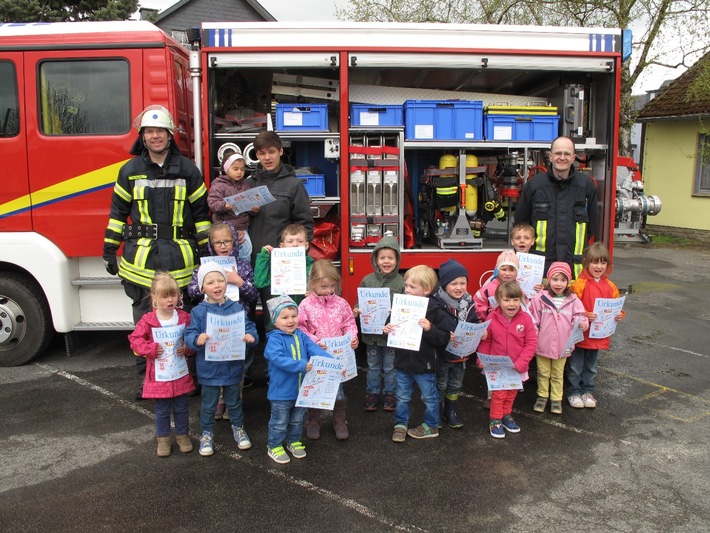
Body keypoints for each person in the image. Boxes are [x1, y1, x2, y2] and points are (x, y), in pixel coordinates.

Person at [103, 105, 211, 400]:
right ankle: (146, 383)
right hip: (142, 262)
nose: (155, 136)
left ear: (169, 135)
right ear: (143, 136)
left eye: (160, 131)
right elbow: (117, 214)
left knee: (184, 322)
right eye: (150, 132)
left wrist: (207, 253)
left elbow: (201, 215)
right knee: (144, 325)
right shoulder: (129, 171)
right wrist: (109, 249)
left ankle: (186, 380)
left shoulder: (188, 170)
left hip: (181, 260)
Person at [184, 263, 259, 457]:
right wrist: (196, 340)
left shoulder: (236, 308)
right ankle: (207, 433)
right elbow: (190, 334)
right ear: (202, 288)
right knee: (208, 404)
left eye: (220, 280)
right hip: (209, 369)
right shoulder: (198, 312)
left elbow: (249, 327)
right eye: (210, 282)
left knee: (234, 402)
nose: (216, 285)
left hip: (232, 367)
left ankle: (238, 428)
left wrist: (251, 337)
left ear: (227, 284)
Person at [187, 222, 259, 416]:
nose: (223, 246)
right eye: (217, 242)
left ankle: (234, 401)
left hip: (236, 321)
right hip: (211, 321)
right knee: (215, 360)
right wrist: (205, 282)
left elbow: (253, 294)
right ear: (211, 244)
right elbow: (192, 290)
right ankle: (219, 401)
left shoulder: (242, 265)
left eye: (227, 241)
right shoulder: (204, 266)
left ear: (234, 242)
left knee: (237, 362)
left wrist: (239, 281)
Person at [246, 131, 314, 318]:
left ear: (281, 151)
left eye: (271, 152)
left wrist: (295, 262)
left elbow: (305, 226)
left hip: (279, 265)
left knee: (277, 318)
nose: (267, 157)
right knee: (246, 316)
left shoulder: (293, 186)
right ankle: (254, 348)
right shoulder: (248, 184)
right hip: (248, 261)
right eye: (261, 153)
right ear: (257, 155)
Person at [128, 272, 195, 457]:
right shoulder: (148, 320)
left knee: (182, 407)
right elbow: (135, 340)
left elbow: (192, 339)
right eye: (165, 296)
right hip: (159, 376)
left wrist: (187, 348)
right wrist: (150, 348)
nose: (170, 300)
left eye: (173, 295)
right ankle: (163, 438)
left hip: (179, 373)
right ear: (154, 298)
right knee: (162, 409)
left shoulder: (184, 318)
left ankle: (183, 435)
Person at [514, 135, 598, 278]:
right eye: (558, 153)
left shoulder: (586, 186)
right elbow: (521, 225)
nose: (562, 157)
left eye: (567, 154)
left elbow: (592, 226)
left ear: (573, 157)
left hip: (574, 271)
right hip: (540, 271)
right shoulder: (534, 186)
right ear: (550, 156)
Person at [263, 294, 332, 464]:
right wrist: (301, 365)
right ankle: (274, 445)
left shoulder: (300, 335)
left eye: (294, 316)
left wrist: (333, 362)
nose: (290, 320)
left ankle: (293, 441)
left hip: (302, 391)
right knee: (279, 421)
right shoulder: (274, 339)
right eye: (284, 317)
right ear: (274, 320)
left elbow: (314, 349)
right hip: (281, 392)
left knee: (297, 419)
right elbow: (278, 359)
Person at [298, 260, 359, 441]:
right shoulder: (305, 305)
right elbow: (301, 328)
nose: (329, 290)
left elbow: (349, 322)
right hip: (316, 356)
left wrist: (352, 337)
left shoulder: (341, 303)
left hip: (338, 357)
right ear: (313, 283)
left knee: (339, 393)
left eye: (333, 286)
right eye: (324, 286)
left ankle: (339, 420)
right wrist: (315, 341)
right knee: (315, 390)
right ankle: (313, 421)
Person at [386, 265, 449, 442]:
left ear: (427, 289)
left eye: (412, 287)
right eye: (406, 286)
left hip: (425, 364)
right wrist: (388, 327)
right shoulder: (400, 304)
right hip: (403, 363)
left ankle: (431, 425)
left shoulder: (436, 309)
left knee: (429, 397)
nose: (407, 290)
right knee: (402, 396)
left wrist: (429, 328)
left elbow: (444, 338)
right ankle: (400, 424)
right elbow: (390, 324)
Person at [567, 242, 626, 409]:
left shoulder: (611, 287)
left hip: (598, 336)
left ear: (607, 265)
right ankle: (573, 392)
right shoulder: (579, 284)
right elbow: (570, 305)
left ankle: (586, 391)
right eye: (595, 262)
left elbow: (616, 307)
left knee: (591, 367)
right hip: (580, 335)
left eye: (603, 263)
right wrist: (585, 313)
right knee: (575, 366)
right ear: (587, 263)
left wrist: (620, 315)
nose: (598, 266)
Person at [477, 281, 537, 439]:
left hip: (517, 367)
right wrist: (481, 359)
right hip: (497, 366)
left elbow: (531, 343)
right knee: (498, 395)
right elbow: (486, 341)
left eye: (516, 300)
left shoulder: (525, 319)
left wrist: (521, 363)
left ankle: (506, 414)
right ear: (498, 301)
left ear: (521, 300)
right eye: (507, 300)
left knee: (511, 393)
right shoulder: (492, 317)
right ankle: (495, 419)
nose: (512, 304)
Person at [352, 235, 405, 412]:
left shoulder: (401, 282)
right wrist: (357, 309)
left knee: (390, 367)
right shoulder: (368, 280)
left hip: (391, 336)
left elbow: (406, 307)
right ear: (375, 259)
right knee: (373, 367)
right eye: (382, 258)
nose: (386, 261)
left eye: (391, 257)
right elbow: (360, 301)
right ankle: (372, 393)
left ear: (397, 259)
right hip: (372, 336)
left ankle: (391, 393)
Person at [529, 262, 589, 415]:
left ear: (568, 282)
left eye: (563, 280)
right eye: (555, 279)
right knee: (543, 374)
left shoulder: (573, 300)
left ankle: (556, 399)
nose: (558, 283)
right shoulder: (539, 298)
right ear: (548, 280)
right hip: (542, 345)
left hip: (563, 347)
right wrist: (533, 340)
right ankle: (542, 396)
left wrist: (582, 323)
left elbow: (580, 316)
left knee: (557, 374)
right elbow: (533, 320)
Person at [430, 259, 479, 429]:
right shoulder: (436, 304)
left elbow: (474, 322)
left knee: (455, 385)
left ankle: (450, 411)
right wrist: (443, 335)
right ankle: (436, 411)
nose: (459, 287)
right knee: (441, 385)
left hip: (462, 356)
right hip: (443, 355)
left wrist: (480, 332)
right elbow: (431, 329)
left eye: (463, 283)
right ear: (444, 285)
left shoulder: (469, 303)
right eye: (454, 283)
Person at [254, 223, 314, 311]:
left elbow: (321, 288)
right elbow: (260, 282)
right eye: (290, 241)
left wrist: (314, 294)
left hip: (304, 314)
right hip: (279, 316)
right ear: (282, 246)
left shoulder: (312, 267)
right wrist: (263, 257)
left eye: (300, 241)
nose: (295, 245)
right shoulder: (275, 267)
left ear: (306, 245)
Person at [207, 151, 253, 261]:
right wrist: (224, 205)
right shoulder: (219, 185)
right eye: (235, 169)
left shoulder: (245, 185)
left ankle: (244, 270)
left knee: (246, 249)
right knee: (225, 252)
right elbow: (212, 203)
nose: (240, 172)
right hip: (224, 228)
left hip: (242, 227)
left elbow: (249, 205)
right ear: (226, 169)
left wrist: (253, 209)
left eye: (242, 169)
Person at [474, 250, 520, 321]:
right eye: (504, 269)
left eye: (511, 270)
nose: (507, 273)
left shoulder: (519, 289)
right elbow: (476, 306)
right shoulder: (488, 289)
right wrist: (488, 312)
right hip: (491, 327)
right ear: (497, 271)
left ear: (516, 272)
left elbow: (527, 309)